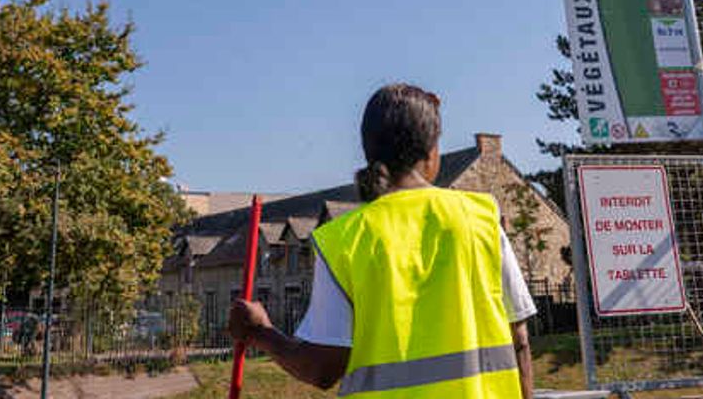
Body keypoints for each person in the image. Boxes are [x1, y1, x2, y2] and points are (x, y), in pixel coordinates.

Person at [229, 83, 536, 398]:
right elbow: (519, 341)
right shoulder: (480, 219)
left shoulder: (344, 240)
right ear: (432, 153)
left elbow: (322, 368)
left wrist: (261, 332)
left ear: (368, 153)